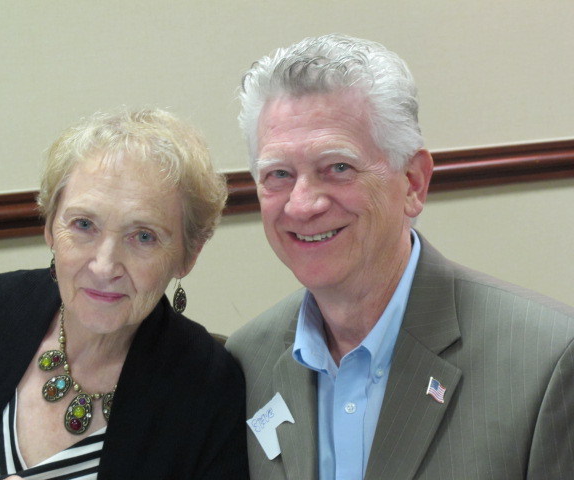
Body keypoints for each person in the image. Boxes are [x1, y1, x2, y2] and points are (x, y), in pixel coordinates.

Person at [226, 33, 574, 479]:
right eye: (279, 174)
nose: (302, 204)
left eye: (338, 167)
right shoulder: (247, 360)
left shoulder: (545, 362)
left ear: (413, 182)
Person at [0, 108, 249, 479]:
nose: (104, 266)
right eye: (84, 224)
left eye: (143, 236)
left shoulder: (210, 389)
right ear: (50, 227)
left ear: (188, 255)